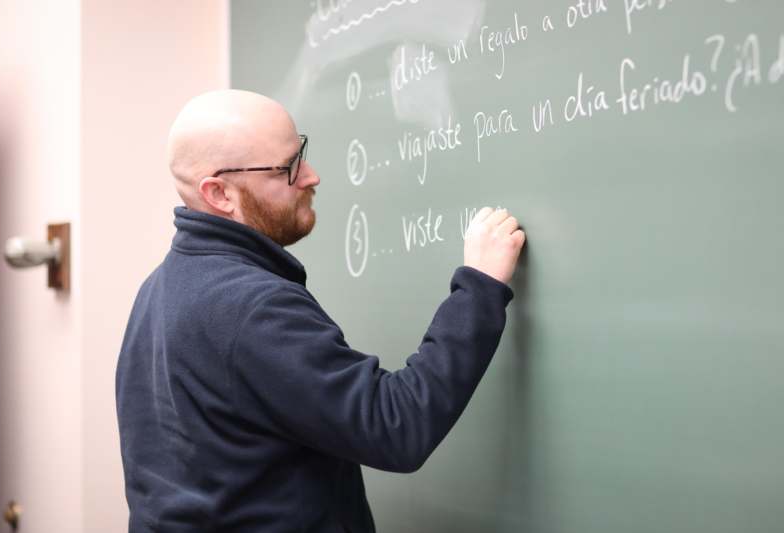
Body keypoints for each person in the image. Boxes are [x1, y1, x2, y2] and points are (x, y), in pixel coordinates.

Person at [116, 89, 526, 532]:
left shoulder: (157, 290)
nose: (311, 176)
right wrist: (479, 288)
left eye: (302, 154)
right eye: (288, 168)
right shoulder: (250, 307)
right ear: (220, 194)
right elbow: (396, 426)